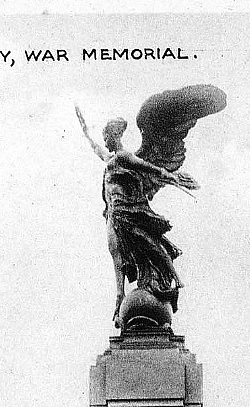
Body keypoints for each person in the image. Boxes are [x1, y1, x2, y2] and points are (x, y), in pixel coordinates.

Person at [75, 106, 199, 324]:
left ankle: (176, 280)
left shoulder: (124, 157)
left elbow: (150, 168)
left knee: (147, 243)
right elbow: (97, 150)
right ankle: (119, 298)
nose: (105, 142)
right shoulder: (111, 160)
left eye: (106, 137)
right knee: (118, 256)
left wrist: (172, 177)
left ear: (115, 136)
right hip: (114, 215)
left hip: (130, 211)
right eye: (103, 137)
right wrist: (85, 132)